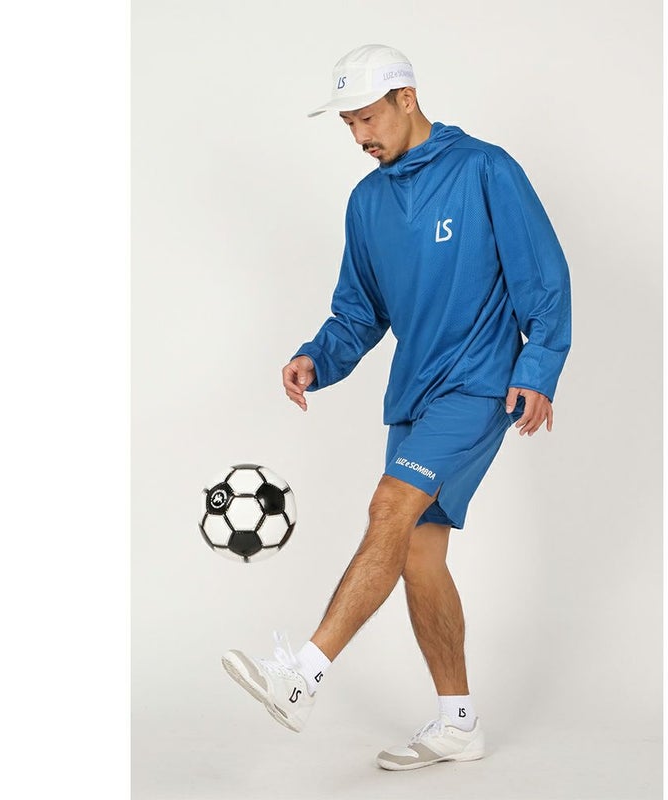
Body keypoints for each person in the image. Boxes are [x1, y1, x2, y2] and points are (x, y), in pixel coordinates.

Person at [222, 43, 572, 771]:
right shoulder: (368, 201)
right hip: (413, 393)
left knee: (389, 505)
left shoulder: (484, 169)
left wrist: (538, 367)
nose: (359, 135)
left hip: (479, 384)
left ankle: (302, 677)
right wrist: (318, 357)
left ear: (406, 99)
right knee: (418, 553)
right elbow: (359, 311)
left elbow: (542, 275)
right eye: (348, 124)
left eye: (367, 118)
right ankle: (458, 722)